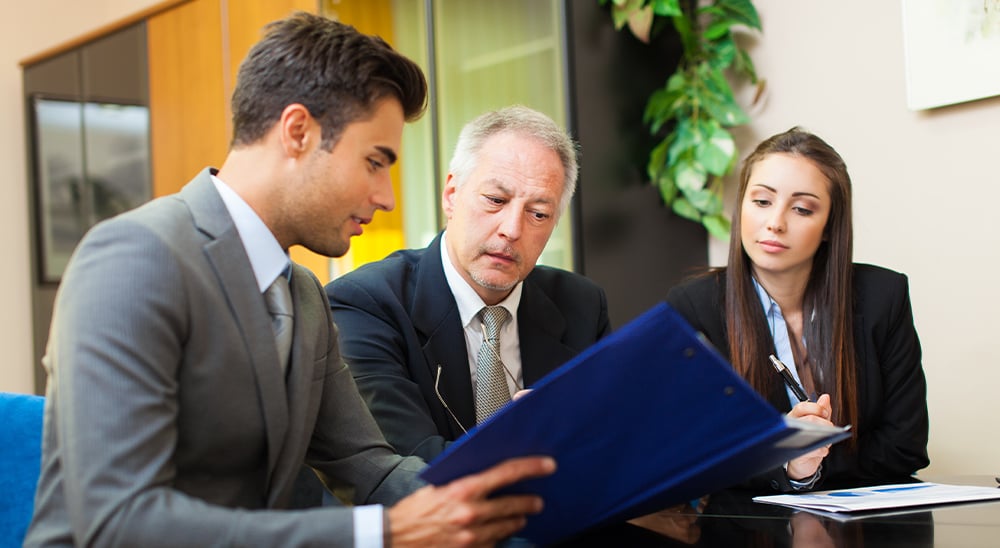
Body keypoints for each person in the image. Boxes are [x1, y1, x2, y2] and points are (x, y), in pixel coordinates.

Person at [25, 13, 555, 547]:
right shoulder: (133, 258)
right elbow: (119, 522)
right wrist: (382, 532)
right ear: (298, 132)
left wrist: (490, 506)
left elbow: (366, 464)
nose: (386, 196)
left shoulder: (302, 293)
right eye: (375, 162)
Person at [325, 105, 611, 462]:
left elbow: (607, 444)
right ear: (452, 194)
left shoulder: (581, 304)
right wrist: (522, 440)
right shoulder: (365, 304)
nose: (512, 229)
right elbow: (408, 465)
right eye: (495, 200)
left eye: (538, 214)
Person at [666, 127, 929, 492]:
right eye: (761, 202)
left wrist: (807, 460)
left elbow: (905, 448)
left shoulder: (884, 295)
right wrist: (790, 462)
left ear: (828, 227)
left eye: (802, 208)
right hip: (747, 530)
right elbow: (694, 454)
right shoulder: (693, 308)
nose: (775, 222)